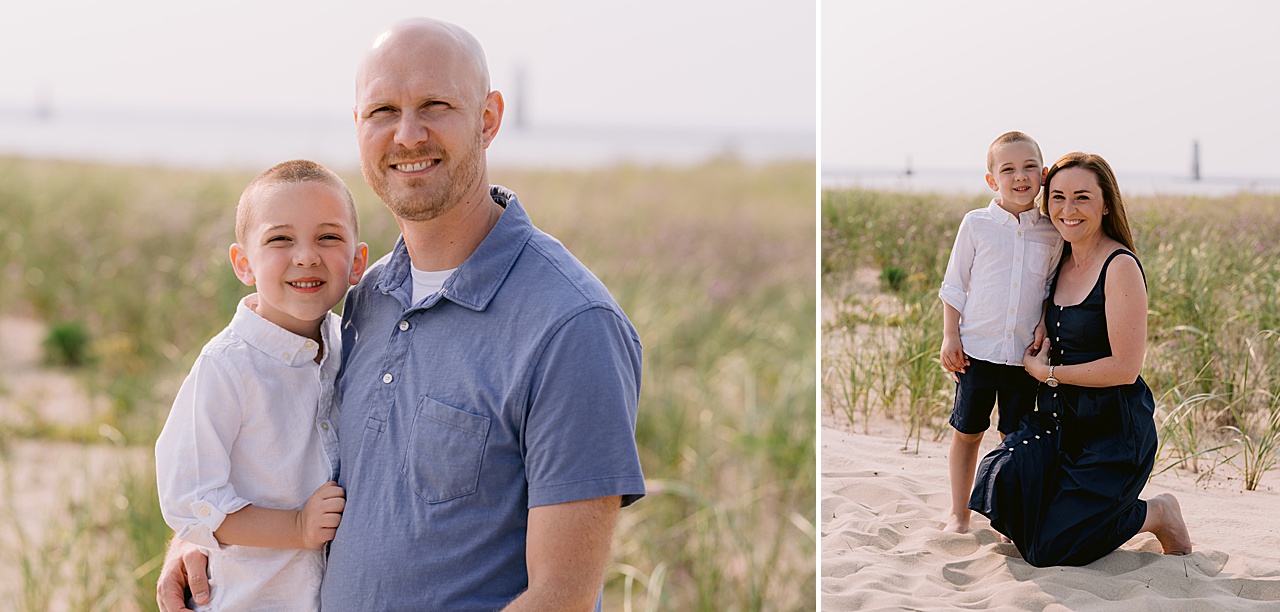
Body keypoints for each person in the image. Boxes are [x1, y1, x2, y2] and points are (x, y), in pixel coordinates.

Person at [157, 17, 646, 612]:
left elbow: (559, 598)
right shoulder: (364, 301)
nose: (407, 135)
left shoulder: (571, 326)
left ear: (488, 118)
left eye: (435, 105)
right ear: (359, 126)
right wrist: (193, 536)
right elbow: (269, 456)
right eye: (382, 111)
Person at [154, 159, 368, 610]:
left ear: (357, 262)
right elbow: (192, 496)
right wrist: (295, 528)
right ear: (243, 263)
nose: (306, 255)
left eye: (328, 237)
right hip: (247, 598)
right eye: (280, 239)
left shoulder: (352, 343)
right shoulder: (227, 367)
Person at [968, 152, 1193, 567]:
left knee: (1051, 549)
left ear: (1106, 203)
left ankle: (1157, 512)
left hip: (1111, 432)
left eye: (1082, 198)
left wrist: (1048, 373)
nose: (1067, 210)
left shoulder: (1119, 264)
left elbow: (1126, 368)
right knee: (999, 486)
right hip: (1059, 423)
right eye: (1057, 197)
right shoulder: (1060, 257)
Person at [938, 131, 1064, 534]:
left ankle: (1004, 515)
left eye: (1029, 167)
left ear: (1043, 175)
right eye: (1008, 169)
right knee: (967, 432)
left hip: (1022, 357)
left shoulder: (1051, 232)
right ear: (992, 180)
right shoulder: (976, 224)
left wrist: (1044, 323)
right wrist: (950, 336)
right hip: (976, 350)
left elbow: (1048, 288)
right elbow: (954, 284)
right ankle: (959, 513)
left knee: (1013, 438)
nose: (1020, 176)